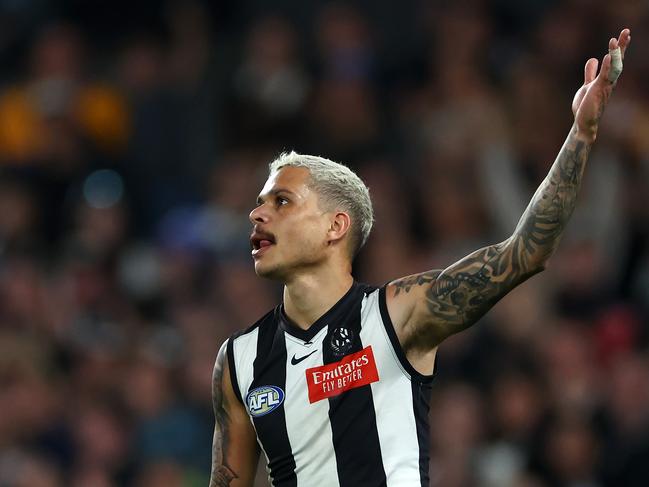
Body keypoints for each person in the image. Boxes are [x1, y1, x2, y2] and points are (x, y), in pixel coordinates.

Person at [209, 29, 631, 487]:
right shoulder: (238, 359)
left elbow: (525, 251)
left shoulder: (398, 314)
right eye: (260, 202)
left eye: (281, 202)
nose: (256, 213)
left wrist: (581, 135)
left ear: (335, 226)